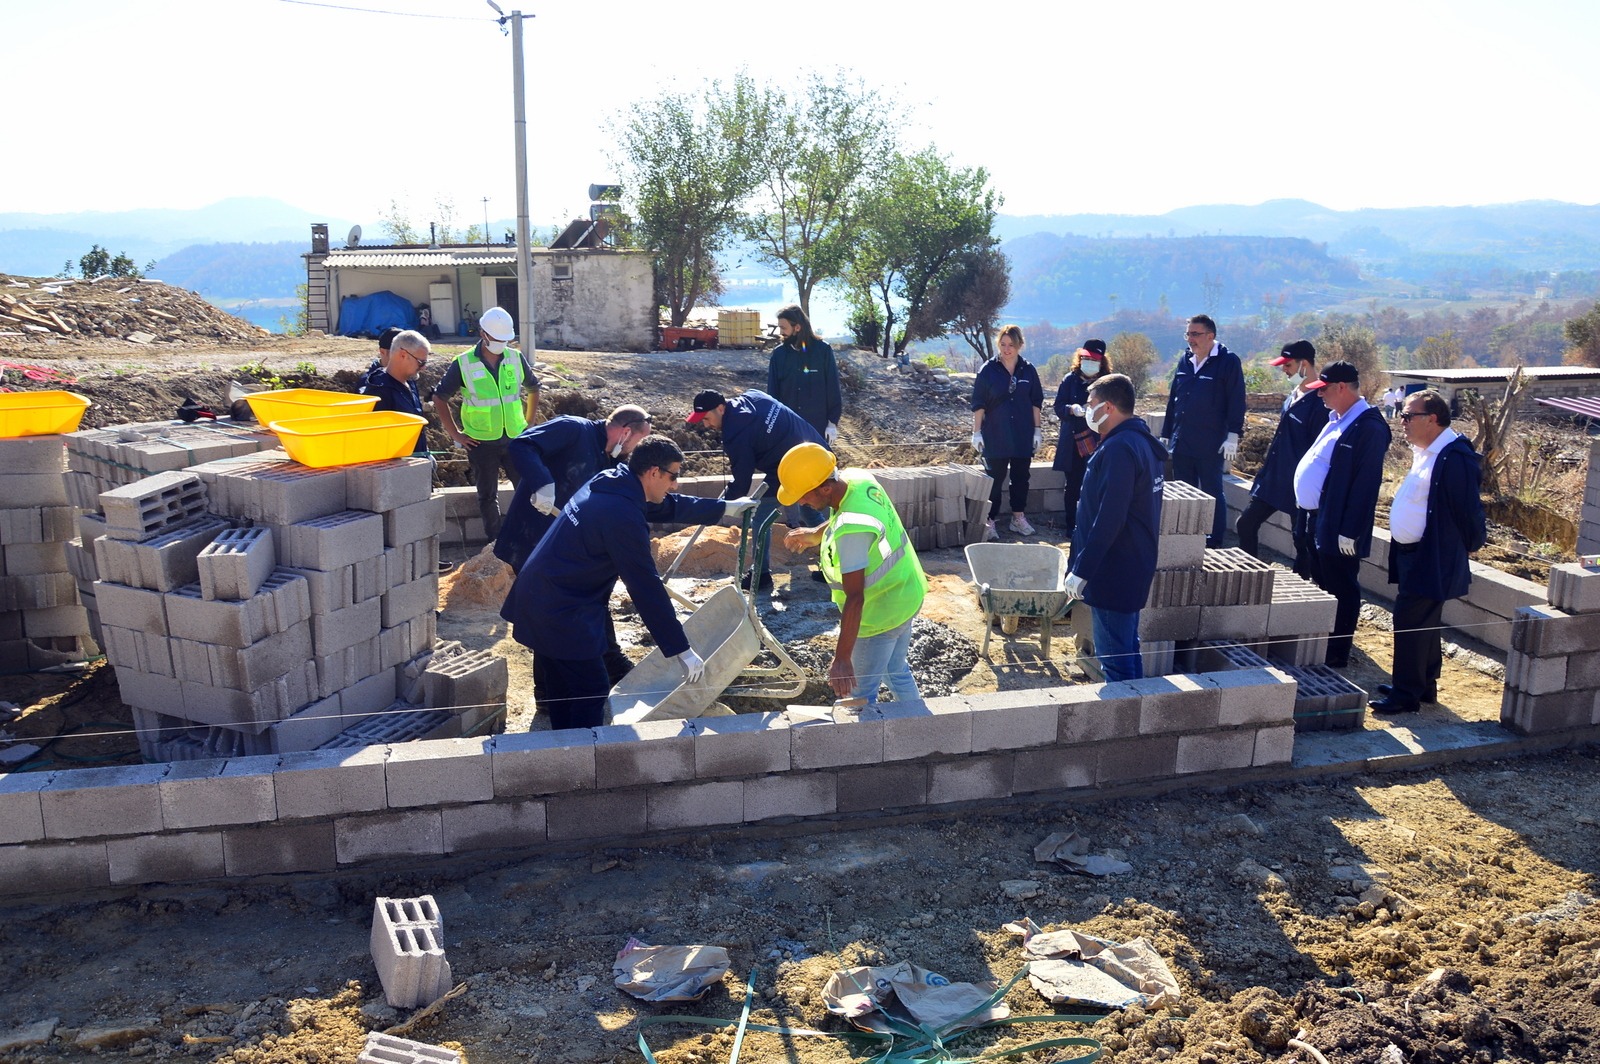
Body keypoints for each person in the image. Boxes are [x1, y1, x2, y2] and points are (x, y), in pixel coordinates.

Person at [499, 436, 756, 730]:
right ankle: (581, 758)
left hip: (538, 594)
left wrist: (724, 508)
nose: (675, 485)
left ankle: (562, 748)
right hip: (560, 608)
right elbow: (645, 588)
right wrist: (680, 649)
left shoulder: (612, 481)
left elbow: (665, 506)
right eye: (673, 477)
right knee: (591, 687)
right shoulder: (621, 516)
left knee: (562, 685)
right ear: (654, 473)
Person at [778, 442, 928, 705]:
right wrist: (816, 534)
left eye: (803, 495)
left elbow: (855, 597)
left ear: (825, 488)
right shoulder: (857, 479)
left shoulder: (852, 533)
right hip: (906, 592)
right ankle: (918, 728)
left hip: (880, 613)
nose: (801, 501)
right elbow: (847, 514)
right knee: (895, 671)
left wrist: (843, 658)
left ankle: (860, 744)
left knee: (857, 698)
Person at [1369, 389, 1487, 714]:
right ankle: (1423, 688)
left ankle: (1406, 695)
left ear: (1431, 419)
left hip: (1430, 555)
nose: (1402, 422)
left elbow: (1469, 511)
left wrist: (1465, 547)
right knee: (1423, 621)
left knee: (1409, 619)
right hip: (1413, 553)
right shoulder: (1427, 451)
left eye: (1408, 416)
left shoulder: (1454, 457)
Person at [1066, 372, 1166, 683]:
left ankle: (1126, 726)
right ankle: (1137, 716)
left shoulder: (1119, 450)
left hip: (1114, 570)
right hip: (1131, 564)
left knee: (1117, 665)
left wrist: (1083, 569)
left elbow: (1109, 518)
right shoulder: (1139, 442)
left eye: (1090, 403)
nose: (1087, 410)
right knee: (1126, 651)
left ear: (1108, 408)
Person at [1292, 360, 1392, 669]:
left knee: (1342, 585)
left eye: (1324, 390)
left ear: (1341, 388)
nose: (1320, 396)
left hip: (1339, 524)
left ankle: (1337, 651)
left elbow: (1365, 483)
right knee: (1323, 581)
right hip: (1319, 518)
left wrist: (1351, 529)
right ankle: (1324, 640)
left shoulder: (1369, 427)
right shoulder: (1337, 418)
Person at [686, 388, 825, 590]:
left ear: (721, 408)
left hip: (794, 463)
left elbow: (742, 482)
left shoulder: (736, 433)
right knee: (810, 510)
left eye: (706, 418)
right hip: (815, 451)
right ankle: (837, 565)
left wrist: (720, 506)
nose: (706, 425)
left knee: (760, 518)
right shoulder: (751, 396)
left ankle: (761, 575)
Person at [432, 305, 541, 540]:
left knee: (526, 490)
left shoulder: (515, 357)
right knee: (487, 496)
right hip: (481, 442)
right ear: (483, 333)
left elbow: (534, 388)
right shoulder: (463, 363)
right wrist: (457, 435)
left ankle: (528, 538)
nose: (502, 343)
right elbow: (440, 398)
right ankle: (495, 544)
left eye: (506, 339)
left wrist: (529, 422)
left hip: (515, 438)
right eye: (497, 338)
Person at [1235, 340, 1326, 574]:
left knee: (1302, 541)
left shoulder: (1320, 403)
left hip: (1298, 484)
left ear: (1304, 364)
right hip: (1274, 478)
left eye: (1287, 365)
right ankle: (1249, 577)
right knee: (1246, 524)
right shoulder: (1294, 394)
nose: (1284, 370)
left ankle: (1302, 586)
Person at [1163, 314, 1245, 548]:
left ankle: (1214, 540)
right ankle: (1185, 538)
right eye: (1188, 334)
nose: (1190, 339)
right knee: (1183, 491)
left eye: (1195, 334)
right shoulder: (1185, 361)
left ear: (1211, 336)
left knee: (1211, 491)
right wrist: (1167, 432)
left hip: (1210, 442)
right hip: (1183, 440)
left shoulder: (1228, 362)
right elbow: (1174, 399)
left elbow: (1236, 400)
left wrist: (1233, 434)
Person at [971, 324, 1044, 541]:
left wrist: (1037, 431)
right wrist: (976, 432)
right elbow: (979, 403)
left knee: (1021, 478)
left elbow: (1035, 403)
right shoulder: (988, 370)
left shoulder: (1028, 371)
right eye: (1002, 344)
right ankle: (990, 521)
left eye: (1011, 345)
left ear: (1020, 345)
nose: (1006, 349)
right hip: (996, 434)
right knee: (994, 479)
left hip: (1022, 434)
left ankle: (1017, 518)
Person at [1050, 339, 1110, 538]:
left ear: (1101, 362)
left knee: (1095, 484)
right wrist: (1071, 409)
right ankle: (1072, 525)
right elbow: (1058, 406)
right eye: (1085, 358)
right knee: (1073, 485)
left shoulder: (1108, 382)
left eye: (1093, 359)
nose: (1088, 362)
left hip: (1098, 440)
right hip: (1073, 440)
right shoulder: (1070, 380)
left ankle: (1092, 523)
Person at [767, 305, 842, 447]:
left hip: (817, 428)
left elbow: (833, 388)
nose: (781, 332)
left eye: (783, 328)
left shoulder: (823, 351)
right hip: (788, 429)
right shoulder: (778, 355)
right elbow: (773, 392)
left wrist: (832, 423)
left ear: (797, 327)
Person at [358, 328, 431, 455]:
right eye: (421, 362)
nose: (423, 368)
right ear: (403, 355)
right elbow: (377, 442)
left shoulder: (410, 380)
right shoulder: (379, 391)